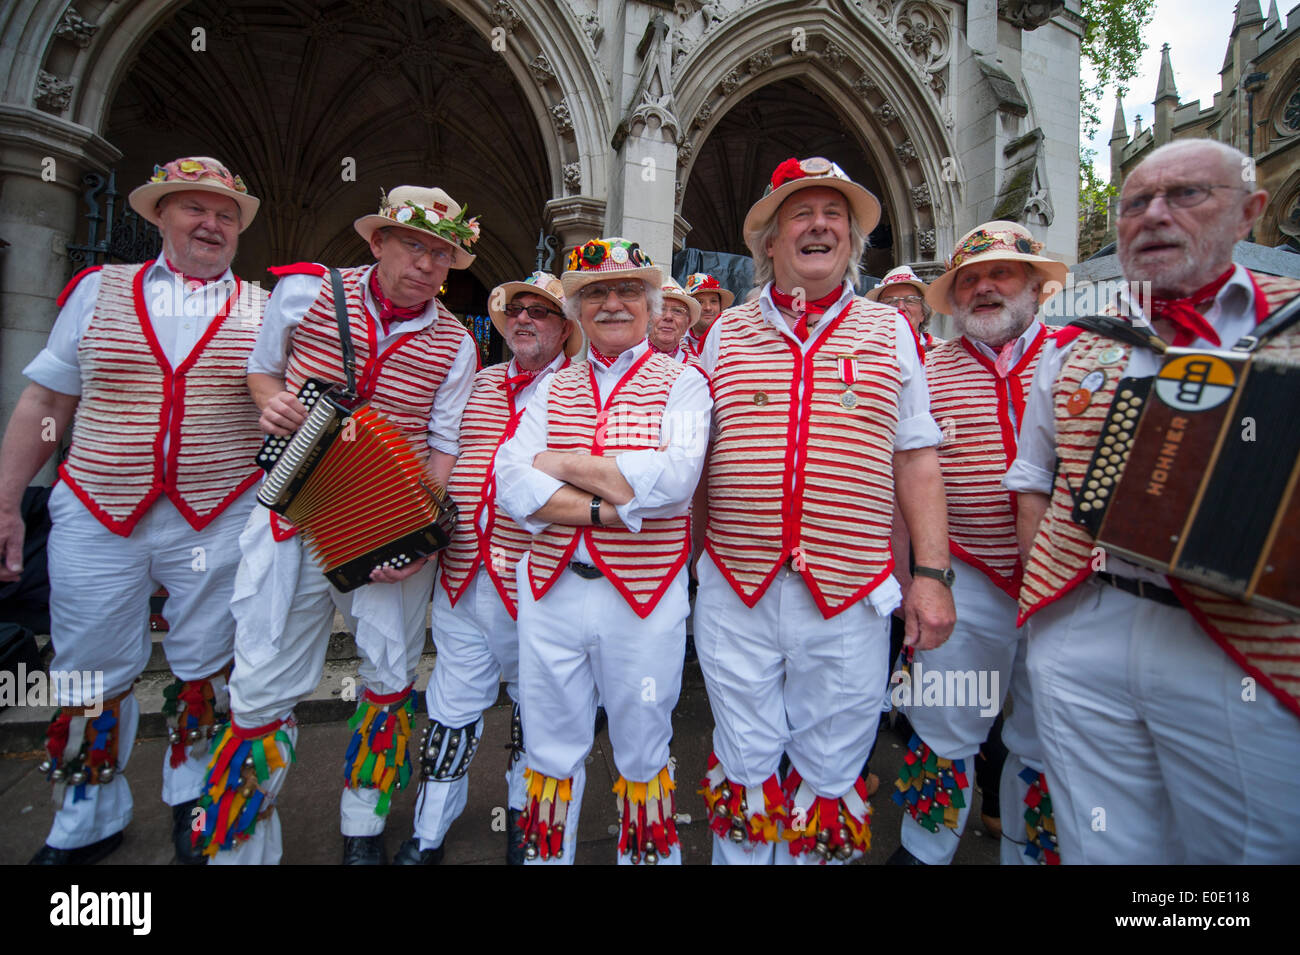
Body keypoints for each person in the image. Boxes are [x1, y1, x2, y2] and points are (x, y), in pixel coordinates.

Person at [1006, 138, 1300, 863]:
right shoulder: (1073, 341)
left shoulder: (1290, 319)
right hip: (1085, 624)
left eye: (1188, 194)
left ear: (1249, 212)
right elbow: (1032, 479)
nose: (1155, 216)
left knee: (1242, 852)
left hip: (1241, 642)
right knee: (1101, 845)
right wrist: (1050, 615)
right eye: (1136, 202)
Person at [193, 186, 479, 865]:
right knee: (260, 680)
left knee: (389, 677)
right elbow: (260, 372)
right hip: (292, 513)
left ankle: (363, 825)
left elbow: (443, 448)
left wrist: (414, 536)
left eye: (442, 254)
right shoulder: (302, 293)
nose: (429, 265)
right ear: (377, 242)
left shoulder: (457, 343)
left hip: (384, 535)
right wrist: (276, 405)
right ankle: (238, 838)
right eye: (416, 246)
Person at [0, 156, 266, 865]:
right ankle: (87, 811)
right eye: (194, 209)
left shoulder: (264, 308)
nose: (211, 224)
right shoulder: (97, 291)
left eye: (226, 215)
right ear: (159, 215)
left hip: (218, 511)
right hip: (96, 504)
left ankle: (189, 793)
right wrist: (6, 500)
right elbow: (48, 402)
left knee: (205, 662)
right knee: (88, 665)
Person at [695, 157, 955, 864]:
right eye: (800, 215)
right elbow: (691, 461)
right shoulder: (724, 335)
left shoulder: (891, 331)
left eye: (833, 215)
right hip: (735, 586)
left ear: (852, 241)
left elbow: (917, 455)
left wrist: (931, 575)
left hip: (850, 592)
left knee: (834, 765)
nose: (819, 225)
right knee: (744, 758)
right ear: (771, 244)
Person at [495, 237, 712, 865]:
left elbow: (675, 481)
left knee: (644, 743)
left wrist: (558, 463)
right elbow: (511, 485)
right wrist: (612, 505)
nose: (612, 303)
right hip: (552, 592)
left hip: (643, 599)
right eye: (595, 293)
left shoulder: (685, 383)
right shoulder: (553, 385)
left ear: (649, 306)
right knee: (549, 745)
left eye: (626, 292)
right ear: (579, 311)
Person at [888, 220, 1065, 865]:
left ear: (1035, 287)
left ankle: (1032, 851)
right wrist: (914, 582)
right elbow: (904, 486)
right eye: (969, 279)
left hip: (1070, 592)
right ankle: (922, 851)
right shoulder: (925, 371)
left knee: (1048, 738)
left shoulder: (1077, 357)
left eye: (1001, 275)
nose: (984, 288)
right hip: (966, 583)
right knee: (943, 725)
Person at [393, 271, 581, 865]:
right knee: (450, 710)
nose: (525, 318)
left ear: (566, 328)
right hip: (461, 577)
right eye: (517, 310)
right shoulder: (477, 382)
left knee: (537, 716)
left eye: (541, 311)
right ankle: (427, 834)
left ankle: (529, 832)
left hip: (541, 583)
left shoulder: (580, 390)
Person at [866, 265, 940, 351]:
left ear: (923, 313)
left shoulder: (943, 353)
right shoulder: (866, 351)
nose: (900, 307)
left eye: (910, 300)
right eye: (891, 301)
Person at [649, 279, 704, 369]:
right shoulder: (627, 359)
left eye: (677, 311)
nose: (668, 317)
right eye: (661, 309)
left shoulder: (697, 369)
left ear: (687, 323)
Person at [683, 272, 733, 353]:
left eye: (713, 301)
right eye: (700, 302)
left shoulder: (734, 342)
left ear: (720, 307)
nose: (708, 308)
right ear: (688, 308)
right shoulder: (674, 343)